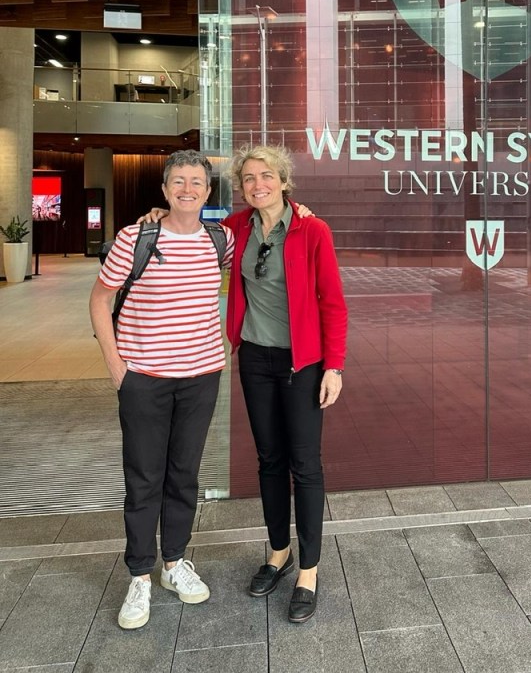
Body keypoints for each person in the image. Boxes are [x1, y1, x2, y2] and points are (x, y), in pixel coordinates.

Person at [144, 144, 347, 623]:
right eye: (249, 177)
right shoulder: (234, 229)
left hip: (304, 364)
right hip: (255, 359)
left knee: (305, 463)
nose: (258, 184)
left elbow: (333, 303)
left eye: (267, 175)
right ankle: (279, 553)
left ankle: (309, 569)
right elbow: (188, 224)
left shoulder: (312, 229)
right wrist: (159, 211)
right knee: (270, 460)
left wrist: (333, 367)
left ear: (283, 180)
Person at [90, 149, 234, 631]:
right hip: (144, 379)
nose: (187, 189)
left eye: (197, 182)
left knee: (184, 475)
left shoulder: (221, 239)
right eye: (179, 182)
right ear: (165, 189)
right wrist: (116, 366)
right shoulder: (137, 236)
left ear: (208, 192)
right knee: (144, 478)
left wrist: (300, 209)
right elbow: (100, 299)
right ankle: (139, 575)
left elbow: (268, 230)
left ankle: (174, 563)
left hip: (201, 376)